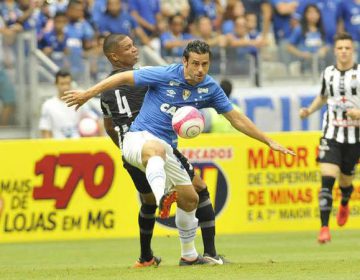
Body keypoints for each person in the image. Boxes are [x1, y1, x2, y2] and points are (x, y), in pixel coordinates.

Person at [63, 40, 295, 265]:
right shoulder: (165, 74)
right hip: (139, 138)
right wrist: (86, 94)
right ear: (184, 61)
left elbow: (236, 118)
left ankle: (189, 256)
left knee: (191, 197)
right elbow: (123, 77)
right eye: (195, 63)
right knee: (155, 152)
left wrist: (267, 140)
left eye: (204, 64)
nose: (200, 69)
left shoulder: (210, 88)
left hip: (167, 147)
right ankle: (163, 194)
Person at [100, 34, 224, 266]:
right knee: (199, 189)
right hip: (153, 143)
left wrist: (127, 150)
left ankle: (145, 257)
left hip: (130, 153)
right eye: (128, 48)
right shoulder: (142, 81)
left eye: (134, 45)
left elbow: (109, 126)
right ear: (114, 56)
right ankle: (209, 254)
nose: (135, 50)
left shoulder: (106, 92)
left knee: (147, 202)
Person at [299, 33, 359, 244]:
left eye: (347, 48)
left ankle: (345, 199)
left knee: (345, 181)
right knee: (327, 180)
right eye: (340, 47)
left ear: (353, 50)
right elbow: (323, 96)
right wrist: (309, 110)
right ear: (335, 50)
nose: (343, 51)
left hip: (354, 138)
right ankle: (324, 228)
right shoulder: (328, 73)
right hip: (331, 134)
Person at [39, 69, 98, 138]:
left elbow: (95, 120)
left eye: (68, 83)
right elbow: (45, 130)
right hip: (58, 146)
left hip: (78, 146)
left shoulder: (79, 101)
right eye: (62, 84)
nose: (65, 87)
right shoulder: (48, 105)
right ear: (56, 84)